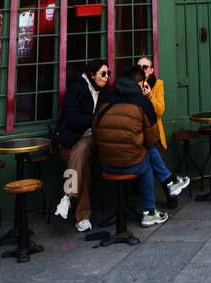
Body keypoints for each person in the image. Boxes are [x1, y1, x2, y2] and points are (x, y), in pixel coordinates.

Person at [93, 62, 185, 226]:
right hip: (129, 164)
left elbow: (95, 130)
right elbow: (151, 139)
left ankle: (170, 182)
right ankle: (152, 208)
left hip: (105, 164)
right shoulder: (141, 102)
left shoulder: (105, 97)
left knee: (143, 152)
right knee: (147, 156)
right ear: (140, 83)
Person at [54, 60, 110, 231]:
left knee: (81, 149)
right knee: (82, 166)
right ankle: (83, 217)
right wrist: (94, 120)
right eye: (103, 73)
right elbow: (71, 118)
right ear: (92, 75)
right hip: (71, 141)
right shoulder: (76, 89)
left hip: (93, 139)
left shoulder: (106, 92)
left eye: (108, 73)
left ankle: (67, 196)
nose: (107, 77)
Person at [137, 59, 189, 204]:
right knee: (150, 167)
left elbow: (160, 110)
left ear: (152, 69)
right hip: (139, 132)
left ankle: (171, 196)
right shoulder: (134, 84)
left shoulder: (157, 84)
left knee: (159, 163)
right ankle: (152, 203)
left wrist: (150, 97)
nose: (142, 69)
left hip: (153, 132)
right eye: (139, 67)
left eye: (145, 67)